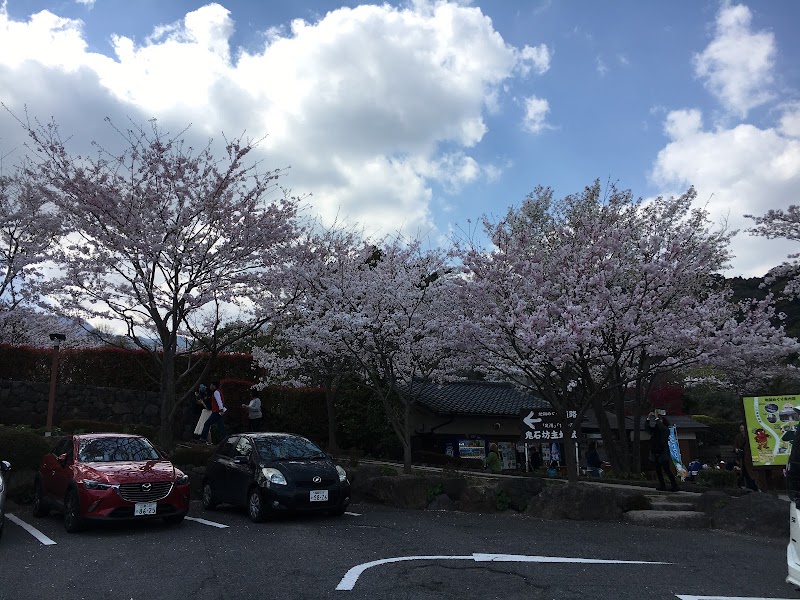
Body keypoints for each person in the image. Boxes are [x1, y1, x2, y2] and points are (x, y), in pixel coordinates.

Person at [645, 411, 679, 492]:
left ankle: (674, 485)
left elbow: (661, 427)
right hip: (656, 452)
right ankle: (662, 485)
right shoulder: (655, 431)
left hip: (663, 453)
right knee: (658, 471)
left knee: (667, 470)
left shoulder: (665, 430)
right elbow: (647, 428)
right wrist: (648, 418)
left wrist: (657, 418)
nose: (658, 421)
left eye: (661, 420)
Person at [734, 423, 758, 491]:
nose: (742, 430)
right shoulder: (738, 437)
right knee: (744, 472)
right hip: (742, 458)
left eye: (743, 428)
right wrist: (737, 450)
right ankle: (748, 486)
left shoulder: (750, 437)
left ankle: (753, 487)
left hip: (750, 457)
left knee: (751, 472)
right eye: (741, 428)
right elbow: (736, 446)